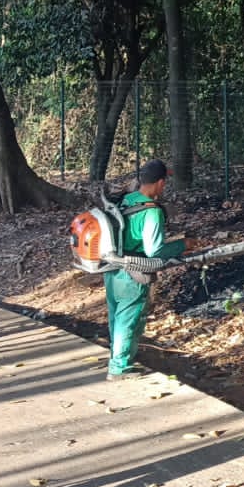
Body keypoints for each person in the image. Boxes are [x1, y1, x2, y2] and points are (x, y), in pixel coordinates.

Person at [105, 159, 185, 380]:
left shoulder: (125, 200)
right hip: (134, 271)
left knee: (116, 315)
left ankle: (117, 357)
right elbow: (154, 250)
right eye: (164, 182)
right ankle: (119, 368)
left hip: (112, 267)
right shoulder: (152, 211)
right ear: (160, 183)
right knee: (128, 319)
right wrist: (182, 245)